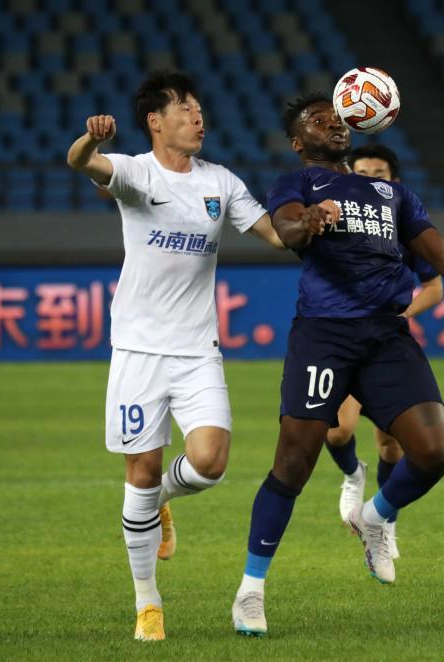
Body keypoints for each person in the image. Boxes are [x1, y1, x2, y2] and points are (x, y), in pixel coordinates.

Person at [230, 93, 444, 637]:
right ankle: (251, 590)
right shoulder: (296, 183)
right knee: (293, 463)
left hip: (387, 335)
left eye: (337, 116)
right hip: (324, 335)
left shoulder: (392, 194)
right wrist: (309, 220)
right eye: (318, 120)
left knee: (434, 450)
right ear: (297, 142)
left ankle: (375, 515)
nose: (333, 123)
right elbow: (287, 231)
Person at [66, 70, 283, 641]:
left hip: (196, 350)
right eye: (185, 109)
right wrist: (91, 140)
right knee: (139, 471)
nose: (197, 117)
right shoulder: (137, 173)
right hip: (138, 349)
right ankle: (148, 602)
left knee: (210, 462)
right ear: (155, 121)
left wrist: (311, 220)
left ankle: (160, 500)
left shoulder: (221, 182)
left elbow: (275, 234)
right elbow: (81, 162)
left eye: (199, 109)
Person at [324, 144, 444, 561]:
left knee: (391, 444)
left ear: (394, 182)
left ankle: (386, 522)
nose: (370, 180)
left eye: (379, 174)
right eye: (362, 173)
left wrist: (403, 311)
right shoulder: (332, 222)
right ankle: (352, 474)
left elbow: (435, 287)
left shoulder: (405, 231)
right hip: (342, 341)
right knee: (337, 431)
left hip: (385, 346)